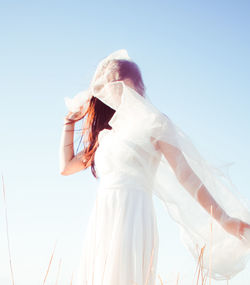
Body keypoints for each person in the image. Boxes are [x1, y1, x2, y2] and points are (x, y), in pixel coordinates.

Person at [59, 49, 250, 284]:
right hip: (103, 217)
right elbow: (67, 166)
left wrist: (223, 218)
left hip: (133, 215)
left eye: (128, 82)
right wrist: (68, 122)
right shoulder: (106, 135)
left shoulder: (154, 124)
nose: (122, 89)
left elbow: (186, 176)